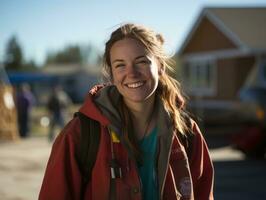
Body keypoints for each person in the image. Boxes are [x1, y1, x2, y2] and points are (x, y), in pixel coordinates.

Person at [39, 23, 214, 199]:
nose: (132, 73)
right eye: (120, 65)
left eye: (141, 61)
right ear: (112, 75)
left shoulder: (186, 133)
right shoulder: (80, 134)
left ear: (160, 66)